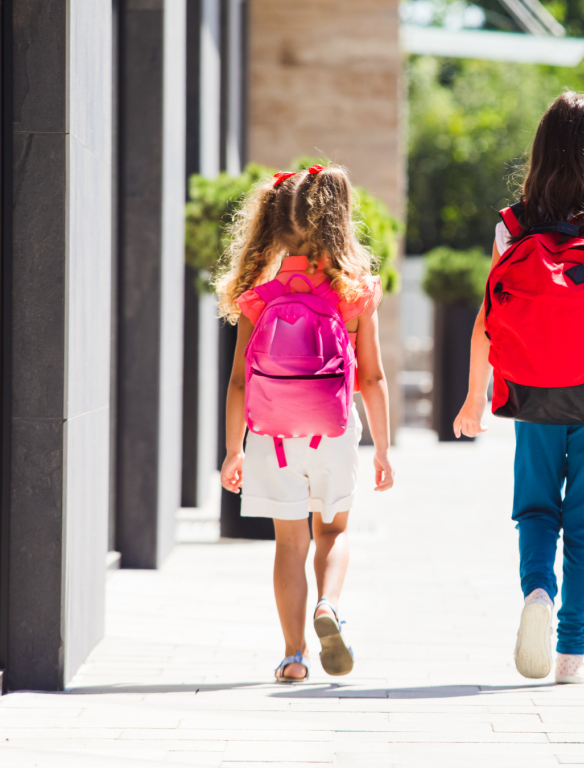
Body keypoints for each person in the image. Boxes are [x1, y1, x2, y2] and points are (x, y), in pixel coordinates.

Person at [452, 91, 584, 685]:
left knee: (537, 509)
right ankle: (572, 653)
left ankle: (538, 590)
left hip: (529, 391)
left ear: (541, 151)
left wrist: (476, 397)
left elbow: (486, 319)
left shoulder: (511, 225)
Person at [216, 164, 395, 683]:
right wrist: (382, 448)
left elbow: (238, 383)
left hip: (271, 438)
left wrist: (234, 452)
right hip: (334, 433)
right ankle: (329, 607)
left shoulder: (259, 296)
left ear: (272, 227)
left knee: (289, 545)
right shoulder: (355, 292)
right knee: (333, 532)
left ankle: (293, 657)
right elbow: (374, 378)